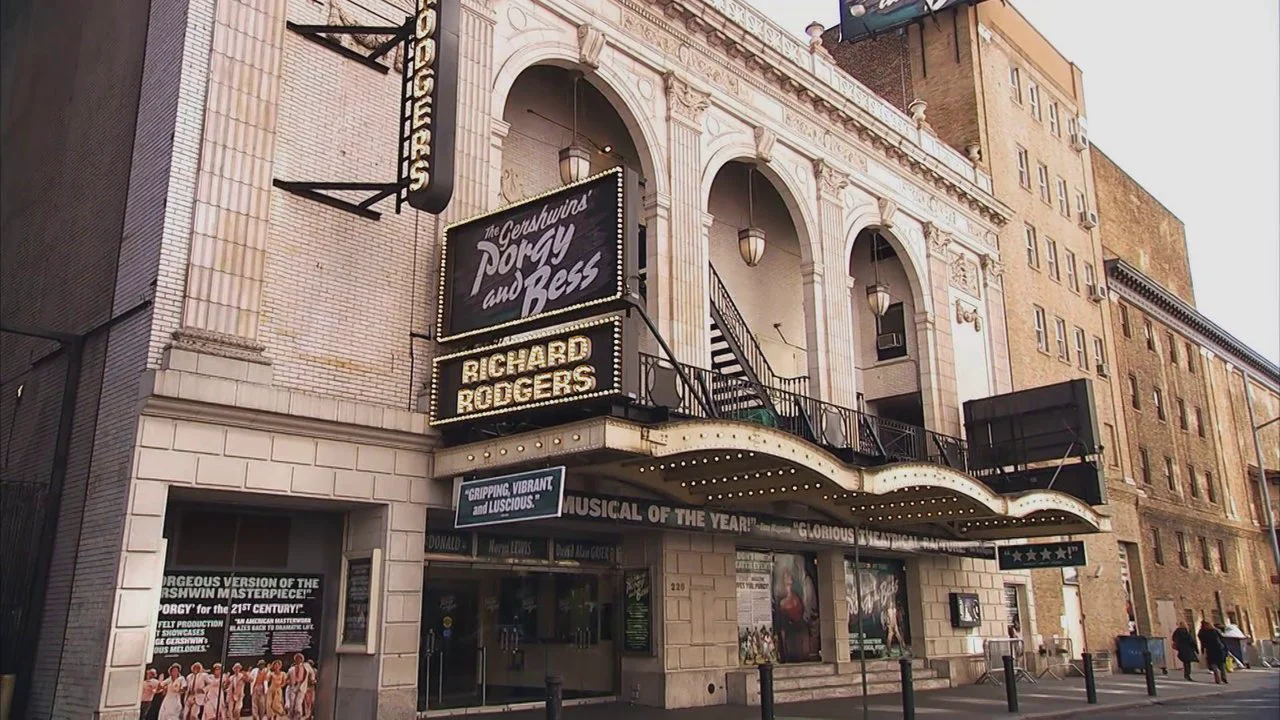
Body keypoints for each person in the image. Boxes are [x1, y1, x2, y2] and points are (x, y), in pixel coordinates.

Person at [1198, 620, 1228, 684]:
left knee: (1214, 665)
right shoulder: (1215, 631)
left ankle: (1217, 679)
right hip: (1219, 649)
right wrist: (1225, 649)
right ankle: (1224, 678)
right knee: (1221, 665)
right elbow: (1222, 640)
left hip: (1210, 650)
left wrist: (1203, 650)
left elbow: (1202, 642)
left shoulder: (1203, 633)